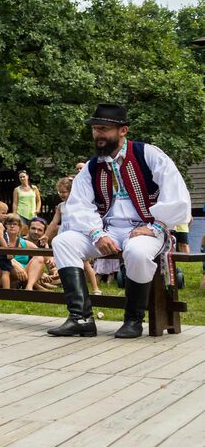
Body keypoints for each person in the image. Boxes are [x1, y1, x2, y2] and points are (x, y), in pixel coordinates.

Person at [49, 103, 191, 339]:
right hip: (109, 230)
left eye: (103, 129)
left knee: (136, 252)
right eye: (95, 129)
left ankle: (133, 320)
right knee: (63, 242)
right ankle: (81, 318)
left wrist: (156, 226)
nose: (98, 135)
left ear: (123, 130)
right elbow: (78, 205)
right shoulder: (93, 166)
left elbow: (176, 194)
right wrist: (97, 233)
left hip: (147, 229)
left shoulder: (148, 154)